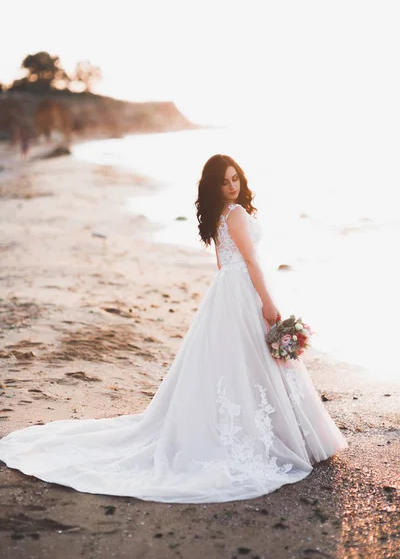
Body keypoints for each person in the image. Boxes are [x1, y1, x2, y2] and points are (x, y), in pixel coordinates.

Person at [0, 154, 348, 504]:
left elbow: (222, 262)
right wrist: (268, 304)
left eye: (236, 178)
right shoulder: (238, 214)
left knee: (237, 364)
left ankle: (264, 430)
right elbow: (252, 261)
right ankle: (280, 434)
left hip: (227, 291)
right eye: (225, 181)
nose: (232, 185)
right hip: (243, 291)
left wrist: (236, 293)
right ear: (215, 185)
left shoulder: (219, 215)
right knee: (251, 362)